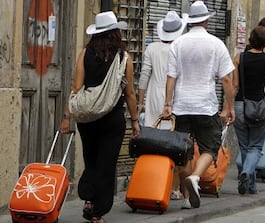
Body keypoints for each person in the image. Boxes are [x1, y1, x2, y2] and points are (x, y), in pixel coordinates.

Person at [60, 11, 140, 223]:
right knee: (107, 164)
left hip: (87, 119)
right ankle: (98, 213)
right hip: (112, 119)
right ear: (116, 33)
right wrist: (135, 121)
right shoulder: (124, 59)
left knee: (92, 159)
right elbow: (130, 93)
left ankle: (88, 199)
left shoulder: (85, 53)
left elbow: (76, 87)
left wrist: (67, 116)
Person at [162, 0, 235, 209]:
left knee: (184, 151)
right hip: (205, 105)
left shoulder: (177, 43)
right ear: (207, 20)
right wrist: (228, 107)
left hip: (181, 106)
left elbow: (171, 77)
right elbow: (227, 80)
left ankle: (186, 198)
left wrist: (168, 104)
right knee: (210, 148)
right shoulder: (216, 44)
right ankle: (195, 177)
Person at [137, 10, 187, 201]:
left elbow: (144, 77)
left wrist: (141, 102)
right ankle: (172, 188)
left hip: (153, 97)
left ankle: (150, 182)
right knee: (172, 145)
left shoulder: (152, 48)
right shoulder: (180, 48)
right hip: (174, 97)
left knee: (152, 142)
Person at [233, 25, 265, 195]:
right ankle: (247, 175)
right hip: (258, 106)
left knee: (244, 145)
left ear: (250, 39)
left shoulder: (238, 58)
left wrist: (228, 107)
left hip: (241, 103)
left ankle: (249, 182)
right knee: (256, 146)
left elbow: (234, 85)